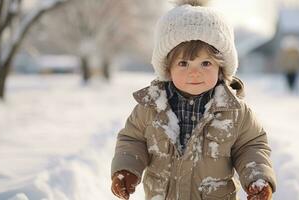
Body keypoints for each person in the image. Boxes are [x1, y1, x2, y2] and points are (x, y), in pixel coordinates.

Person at [110, 0, 276, 199]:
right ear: (167, 69)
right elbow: (132, 140)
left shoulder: (235, 112)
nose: (194, 73)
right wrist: (127, 170)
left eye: (205, 63)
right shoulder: (150, 107)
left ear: (221, 68)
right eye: (183, 63)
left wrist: (257, 178)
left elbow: (251, 146)